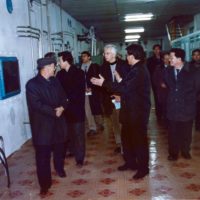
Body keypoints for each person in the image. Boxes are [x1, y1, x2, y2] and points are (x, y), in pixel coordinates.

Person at [91, 44, 151, 179]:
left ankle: (143, 168)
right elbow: (126, 86)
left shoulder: (139, 70)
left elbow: (124, 88)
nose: (126, 57)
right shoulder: (134, 69)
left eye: (128, 55)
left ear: (133, 55)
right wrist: (119, 80)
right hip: (129, 111)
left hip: (137, 112)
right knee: (126, 138)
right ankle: (130, 163)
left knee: (139, 141)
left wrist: (104, 83)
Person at [26, 57, 68, 196]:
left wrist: (62, 107)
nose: (55, 68)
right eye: (53, 66)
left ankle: (60, 169)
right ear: (47, 67)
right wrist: (54, 112)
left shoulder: (55, 81)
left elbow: (64, 96)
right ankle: (44, 184)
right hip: (42, 126)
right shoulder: (32, 85)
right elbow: (36, 105)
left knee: (60, 149)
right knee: (42, 157)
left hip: (58, 123)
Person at [165, 48, 200, 161]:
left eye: (172, 57)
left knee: (186, 132)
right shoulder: (167, 71)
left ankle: (185, 151)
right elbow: (169, 87)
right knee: (172, 132)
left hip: (187, 107)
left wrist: (189, 100)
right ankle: (173, 153)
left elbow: (197, 88)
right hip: (172, 107)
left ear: (179, 59)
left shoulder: (193, 71)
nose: (169, 59)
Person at [56, 51, 86, 167]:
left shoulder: (79, 73)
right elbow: (58, 91)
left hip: (76, 108)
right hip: (65, 110)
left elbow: (77, 92)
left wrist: (66, 101)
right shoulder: (60, 74)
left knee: (78, 134)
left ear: (66, 60)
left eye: (60, 60)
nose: (58, 63)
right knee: (68, 133)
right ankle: (72, 151)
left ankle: (80, 158)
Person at [101, 44, 129, 153]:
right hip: (110, 100)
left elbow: (126, 83)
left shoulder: (124, 65)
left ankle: (125, 145)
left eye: (107, 53)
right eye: (104, 53)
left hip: (122, 99)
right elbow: (103, 85)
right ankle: (119, 143)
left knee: (123, 123)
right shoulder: (103, 67)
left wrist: (120, 95)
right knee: (115, 123)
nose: (105, 55)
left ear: (113, 54)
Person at [81, 51, 104, 135]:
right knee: (87, 109)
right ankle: (92, 128)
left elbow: (98, 78)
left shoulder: (95, 66)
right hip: (85, 92)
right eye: (82, 56)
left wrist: (92, 87)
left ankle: (100, 122)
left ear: (89, 57)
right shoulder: (81, 67)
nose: (83, 58)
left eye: (85, 56)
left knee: (96, 107)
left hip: (94, 91)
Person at [152, 52, 170, 127]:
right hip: (162, 92)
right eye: (165, 59)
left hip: (171, 92)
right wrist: (160, 83)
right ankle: (165, 123)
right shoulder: (158, 68)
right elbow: (154, 79)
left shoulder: (173, 67)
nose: (167, 60)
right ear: (162, 59)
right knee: (164, 108)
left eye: (168, 58)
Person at [147, 44, 163, 122]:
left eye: (158, 49)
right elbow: (148, 71)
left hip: (164, 80)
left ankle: (164, 113)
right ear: (153, 50)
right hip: (155, 81)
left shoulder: (164, 58)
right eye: (155, 49)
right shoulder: (150, 60)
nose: (157, 51)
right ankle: (159, 114)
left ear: (160, 50)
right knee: (157, 97)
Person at [190, 49, 200, 131]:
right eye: (194, 55)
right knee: (195, 110)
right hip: (192, 92)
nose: (196, 57)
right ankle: (197, 126)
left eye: (198, 55)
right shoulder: (188, 66)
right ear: (192, 56)